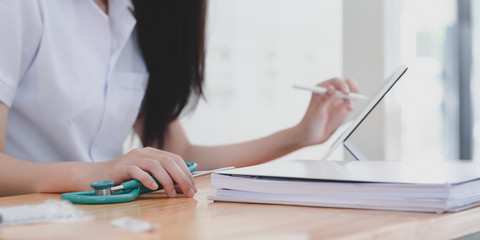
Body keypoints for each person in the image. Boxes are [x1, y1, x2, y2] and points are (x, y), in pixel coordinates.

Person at [0, 0, 358, 198]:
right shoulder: (20, 8)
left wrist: (300, 135)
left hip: (107, 221)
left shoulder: (139, 17)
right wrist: (101, 172)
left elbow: (180, 157)